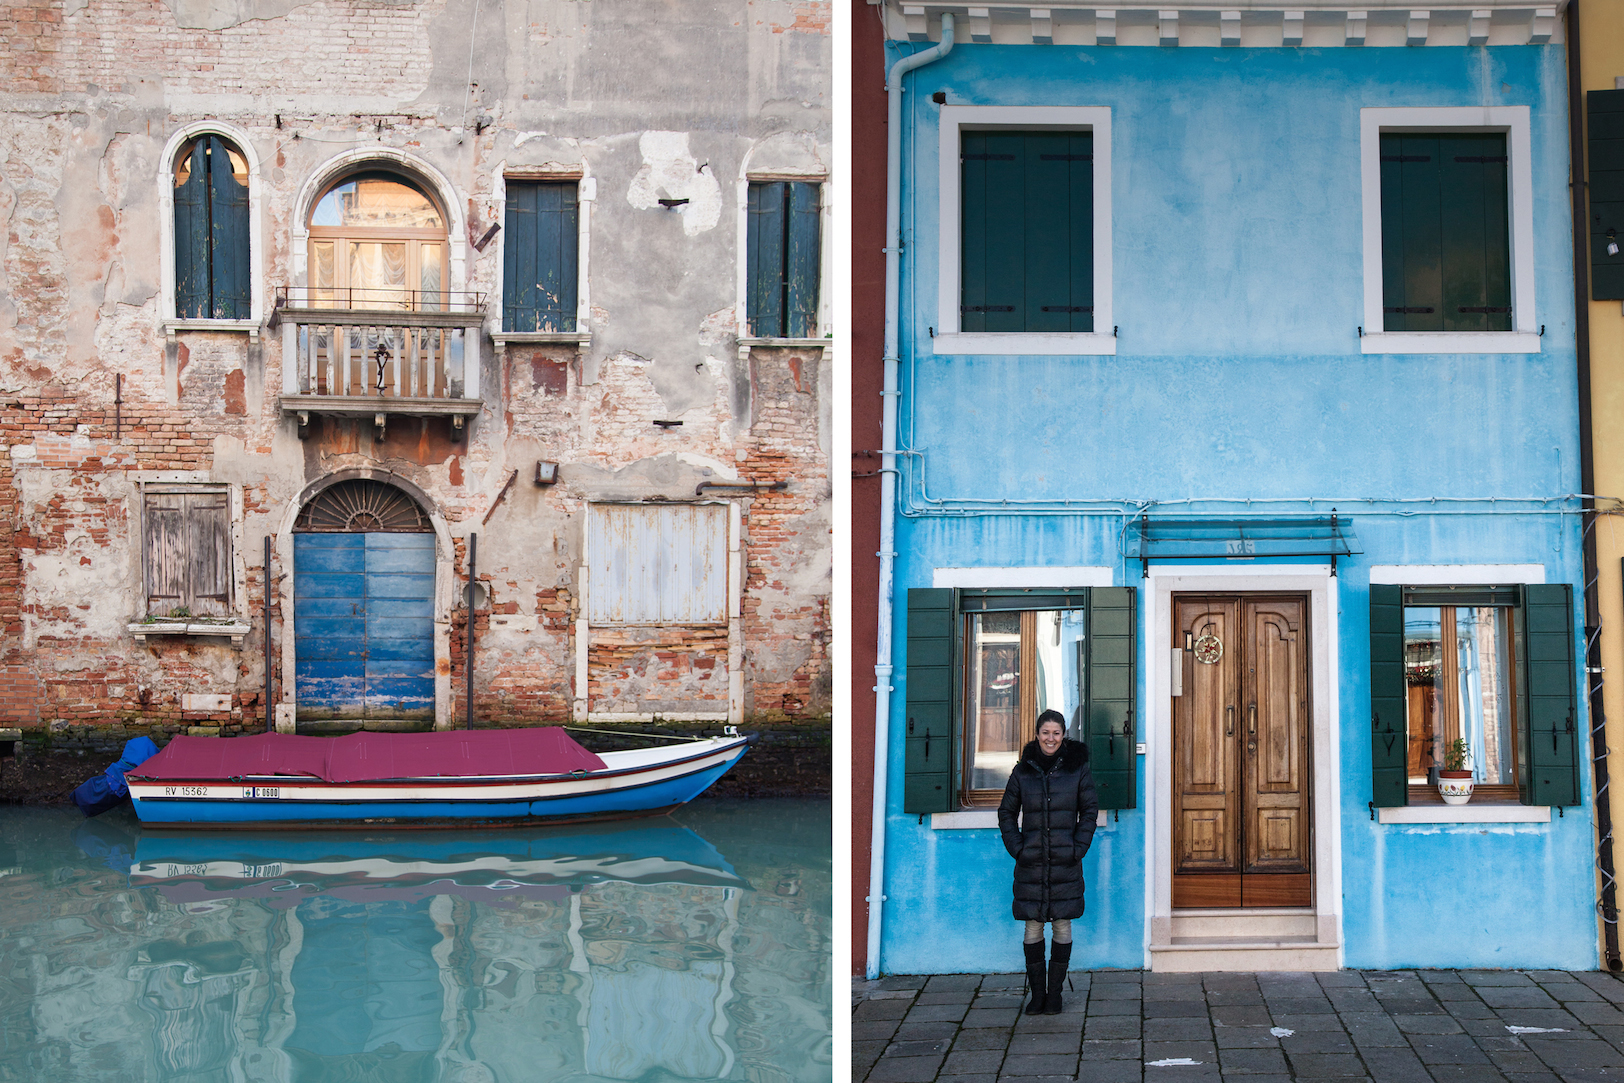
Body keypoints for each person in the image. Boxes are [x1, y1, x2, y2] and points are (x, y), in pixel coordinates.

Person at [997, 709, 1099, 1015]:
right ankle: (1036, 996)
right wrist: (1018, 848)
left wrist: (1077, 848)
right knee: (1032, 927)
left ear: (1063, 734)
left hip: (1065, 862)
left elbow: (1090, 810)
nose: (1050, 739)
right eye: (1045, 733)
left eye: (1056, 733)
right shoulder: (1022, 771)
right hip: (1031, 864)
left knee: (1062, 926)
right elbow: (1006, 813)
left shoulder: (1077, 769)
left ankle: (1054, 995)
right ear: (1037, 734)